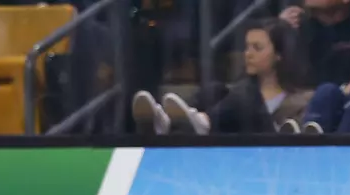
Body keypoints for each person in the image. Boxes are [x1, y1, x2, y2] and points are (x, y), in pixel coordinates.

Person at [132, 19, 308, 134]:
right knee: (214, 90)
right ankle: (169, 125)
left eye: (257, 48)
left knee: (246, 93)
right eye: (247, 47)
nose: (248, 54)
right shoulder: (237, 94)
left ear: (279, 54)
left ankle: (201, 122)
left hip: (266, 148)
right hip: (227, 148)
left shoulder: (299, 100)